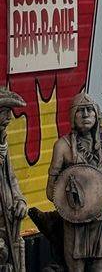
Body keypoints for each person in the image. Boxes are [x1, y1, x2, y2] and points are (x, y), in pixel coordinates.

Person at [46, 93, 102, 272]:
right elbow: (51, 191)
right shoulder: (62, 146)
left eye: (90, 110)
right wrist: (72, 199)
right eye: (80, 111)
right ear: (73, 116)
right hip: (75, 226)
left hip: (100, 225)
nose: (86, 115)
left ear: (97, 115)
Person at [0, 88, 26, 272]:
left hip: (8, 222)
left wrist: (19, 199)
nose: (9, 117)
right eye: (4, 112)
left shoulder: (3, 142)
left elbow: (11, 178)